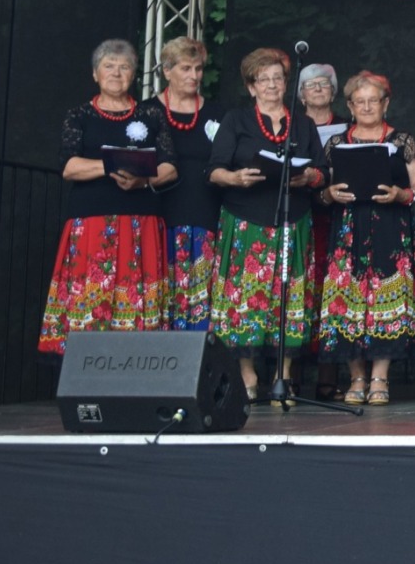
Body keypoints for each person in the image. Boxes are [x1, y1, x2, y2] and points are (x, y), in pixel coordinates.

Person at [39, 40, 177, 355]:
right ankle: (85, 364)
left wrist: (143, 179)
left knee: (138, 300)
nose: (116, 73)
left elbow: (170, 167)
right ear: (95, 74)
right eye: (109, 66)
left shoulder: (151, 114)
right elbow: (69, 167)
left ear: (134, 74)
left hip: (141, 221)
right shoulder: (80, 115)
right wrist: (110, 164)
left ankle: (135, 366)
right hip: (92, 222)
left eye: (124, 66)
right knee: (90, 298)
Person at [208, 47, 326, 399]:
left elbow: (323, 170)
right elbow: (213, 170)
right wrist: (235, 178)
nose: (272, 85)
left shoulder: (303, 124)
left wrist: (310, 177)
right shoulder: (236, 120)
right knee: (246, 298)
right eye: (264, 79)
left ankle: (282, 375)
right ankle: (247, 376)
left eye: (278, 78)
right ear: (251, 86)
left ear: (286, 83)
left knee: (287, 297)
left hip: (293, 220)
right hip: (247, 219)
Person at [315, 72, 415, 405]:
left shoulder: (402, 140)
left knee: (386, 302)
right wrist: (329, 194)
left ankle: (380, 376)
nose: (366, 107)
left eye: (373, 101)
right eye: (359, 101)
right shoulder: (336, 143)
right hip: (348, 229)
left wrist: (401, 195)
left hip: (390, 228)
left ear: (385, 104)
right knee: (348, 302)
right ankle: (357, 377)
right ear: (350, 106)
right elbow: (321, 190)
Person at [144, 36, 223, 332]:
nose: (194, 75)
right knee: (161, 293)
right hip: (159, 214)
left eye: (198, 69)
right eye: (186, 68)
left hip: (205, 213)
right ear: (167, 71)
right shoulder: (146, 111)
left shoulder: (218, 113)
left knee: (202, 299)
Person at [297, 62, 343, 398]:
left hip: (336, 219)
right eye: (310, 84)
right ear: (300, 94)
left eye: (324, 84)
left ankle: (328, 379)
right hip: (300, 217)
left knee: (332, 295)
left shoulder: (348, 127)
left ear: (334, 91)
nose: (317, 89)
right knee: (299, 293)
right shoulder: (288, 126)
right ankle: (290, 377)